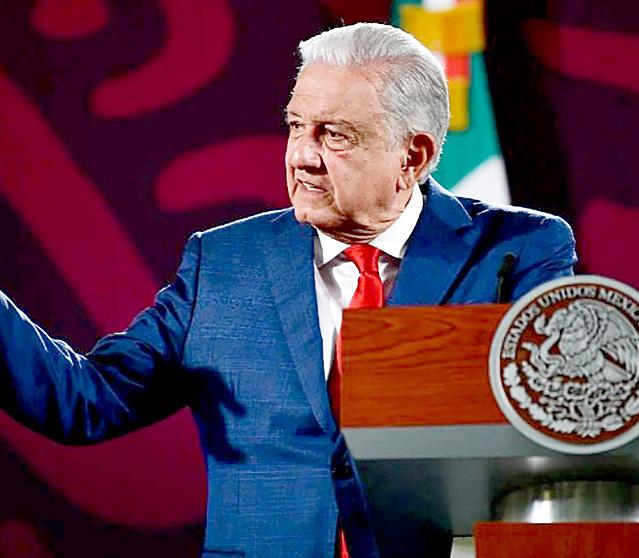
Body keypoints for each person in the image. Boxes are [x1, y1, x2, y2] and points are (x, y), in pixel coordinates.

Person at [0, 23, 576, 558]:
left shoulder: (515, 250)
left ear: (413, 155)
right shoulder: (222, 263)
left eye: (335, 135)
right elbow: (86, 400)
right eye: (297, 126)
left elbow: (561, 420)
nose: (301, 156)